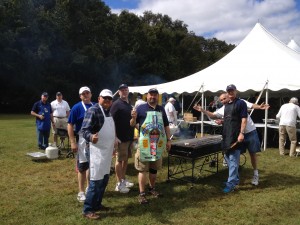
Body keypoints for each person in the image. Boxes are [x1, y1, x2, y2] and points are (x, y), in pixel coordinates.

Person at [194, 85, 248, 193]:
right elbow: (216, 116)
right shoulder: (226, 106)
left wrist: (241, 133)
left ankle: (231, 184)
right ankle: (235, 179)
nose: (230, 93)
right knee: (228, 158)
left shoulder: (241, 103)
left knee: (233, 160)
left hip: (235, 135)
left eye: (232, 91)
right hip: (226, 135)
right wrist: (202, 110)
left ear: (235, 91)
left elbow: (243, 119)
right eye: (228, 91)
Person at [130, 88, 172, 204]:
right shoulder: (140, 108)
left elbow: (166, 126)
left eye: (155, 95)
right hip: (144, 144)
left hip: (157, 144)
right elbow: (132, 124)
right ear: (147, 96)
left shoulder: (161, 109)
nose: (152, 97)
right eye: (150, 95)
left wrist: (169, 140)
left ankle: (152, 189)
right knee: (143, 169)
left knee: (154, 169)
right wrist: (133, 118)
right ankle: (142, 194)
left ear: (157, 97)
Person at [81, 89, 116, 220]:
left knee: (104, 179)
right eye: (105, 98)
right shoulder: (93, 110)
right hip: (95, 151)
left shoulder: (109, 112)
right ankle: (88, 209)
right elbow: (84, 130)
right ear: (99, 98)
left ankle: (97, 204)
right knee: (95, 180)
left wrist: (115, 139)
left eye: (109, 98)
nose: (107, 100)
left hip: (106, 152)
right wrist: (91, 137)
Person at [68, 86, 95, 202]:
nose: (85, 95)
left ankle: (89, 187)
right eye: (83, 94)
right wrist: (73, 142)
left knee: (92, 165)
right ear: (80, 96)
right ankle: (81, 191)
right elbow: (70, 124)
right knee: (82, 166)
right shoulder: (76, 108)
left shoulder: (96, 106)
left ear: (91, 94)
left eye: (87, 93)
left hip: (95, 139)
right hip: (83, 140)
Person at [110, 84, 135, 193]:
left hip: (129, 137)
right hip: (120, 138)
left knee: (125, 159)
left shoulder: (128, 104)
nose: (124, 92)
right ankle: (118, 184)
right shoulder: (116, 104)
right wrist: (114, 137)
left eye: (126, 90)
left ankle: (123, 179)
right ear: (119, 92)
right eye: (122, 90)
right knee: (119, 160)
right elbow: (111, 122)